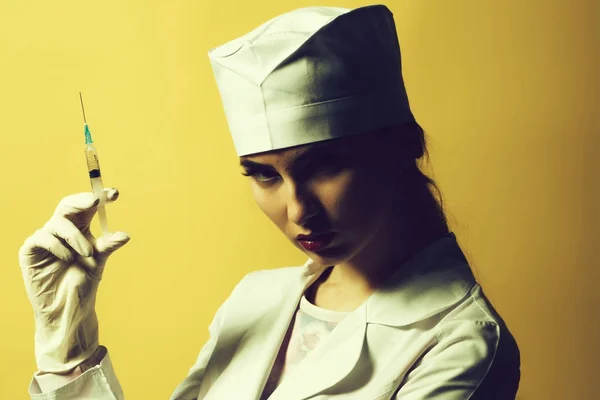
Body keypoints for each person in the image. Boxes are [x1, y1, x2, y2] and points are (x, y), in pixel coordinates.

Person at [19, 4, 521, 399]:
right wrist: (69, 348)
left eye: (324, 166)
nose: (299, 210)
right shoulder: (255, 299)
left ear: (401, 147)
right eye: (264, 175)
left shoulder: (464, 346)